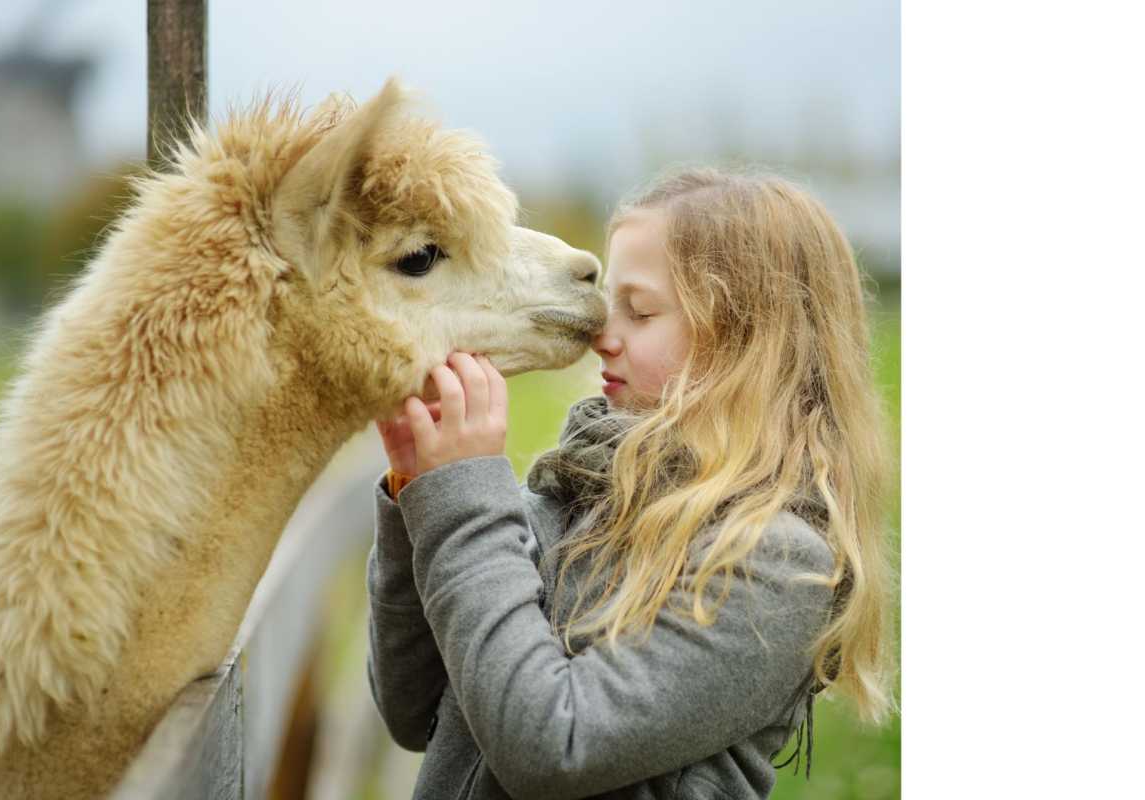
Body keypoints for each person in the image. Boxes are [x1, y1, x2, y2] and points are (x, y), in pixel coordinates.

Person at [366, 166, 895, 799]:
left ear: (747, 345)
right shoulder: (572, 498)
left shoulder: (771, 561)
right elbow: (411, 708)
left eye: (639, 312)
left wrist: (467, 498)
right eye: (609, 303)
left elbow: (552, 747)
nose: (601, 336)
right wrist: (418, 493)